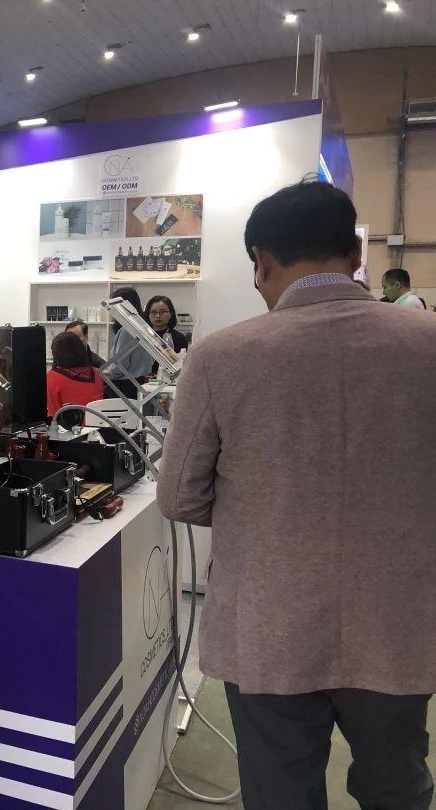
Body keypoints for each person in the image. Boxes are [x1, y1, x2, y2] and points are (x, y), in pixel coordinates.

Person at [157, 179, 436, 810]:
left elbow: (178, 497)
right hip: (397, 621)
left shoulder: (220, 357)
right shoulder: (427, 345)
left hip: (268, 624)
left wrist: (263, 506)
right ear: (356, 254)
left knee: (280, 793)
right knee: (398, 787)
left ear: (261, 261)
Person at [106, 286, 152, 399]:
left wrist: (108, 372)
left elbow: (120, 365)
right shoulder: (143, 327)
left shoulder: (126, 330)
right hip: (140, 383)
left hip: (124, 387)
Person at [46, 331, 103, 418]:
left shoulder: (52, 377)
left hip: (70, 425)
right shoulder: (97, 373)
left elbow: (53, 414)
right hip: (98, 424)